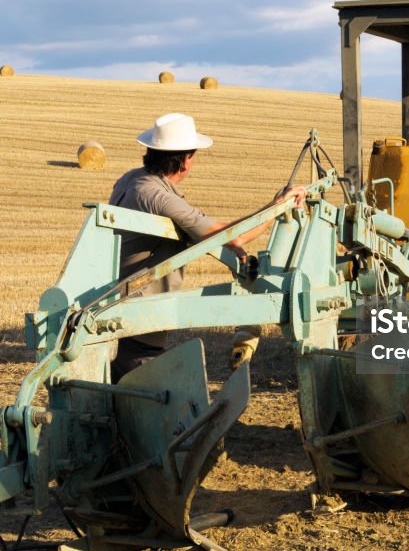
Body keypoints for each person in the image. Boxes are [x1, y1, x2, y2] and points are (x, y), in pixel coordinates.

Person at [109, 112, 305, 381]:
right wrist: (278, 206)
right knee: (145, 387)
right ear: (185, 160)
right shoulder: (156, 196)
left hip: (116, 299)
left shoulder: (132, 179)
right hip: (136, 312)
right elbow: (232, 237)